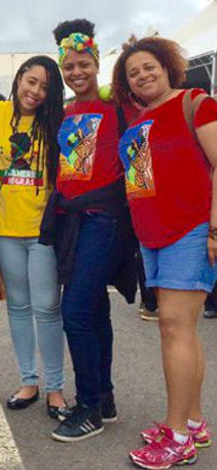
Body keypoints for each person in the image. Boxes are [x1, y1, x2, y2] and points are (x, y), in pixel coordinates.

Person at [112, 35, 217, 469]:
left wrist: (215, 229)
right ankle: (192, 422)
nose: (142, 76)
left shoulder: (196, 103)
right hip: (152, 236)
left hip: (191, 230)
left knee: (175, 327)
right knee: (179, 330)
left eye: (148, 67)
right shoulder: (139, 120)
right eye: (133, 73)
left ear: (167, 66)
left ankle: (177, 438)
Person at [43, 19, 137, 443]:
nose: (76, 72)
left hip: (104, 219)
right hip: (71, 222)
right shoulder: (67, 112)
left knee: (77, 311)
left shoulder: (119, 106)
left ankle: (89, 407)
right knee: (94, 310)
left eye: (84, 64)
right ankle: (105, 397)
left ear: (98, 64)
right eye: (69, 66)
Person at [0, 56, 67, 419]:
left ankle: (55, 388)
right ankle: (29, 381)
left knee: (48, 308)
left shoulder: (56, 122)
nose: (35, 91)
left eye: (44, 87)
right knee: (18, 307)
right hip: (4, 229)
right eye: (31, 81)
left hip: (42, 231)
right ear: (19, 78)